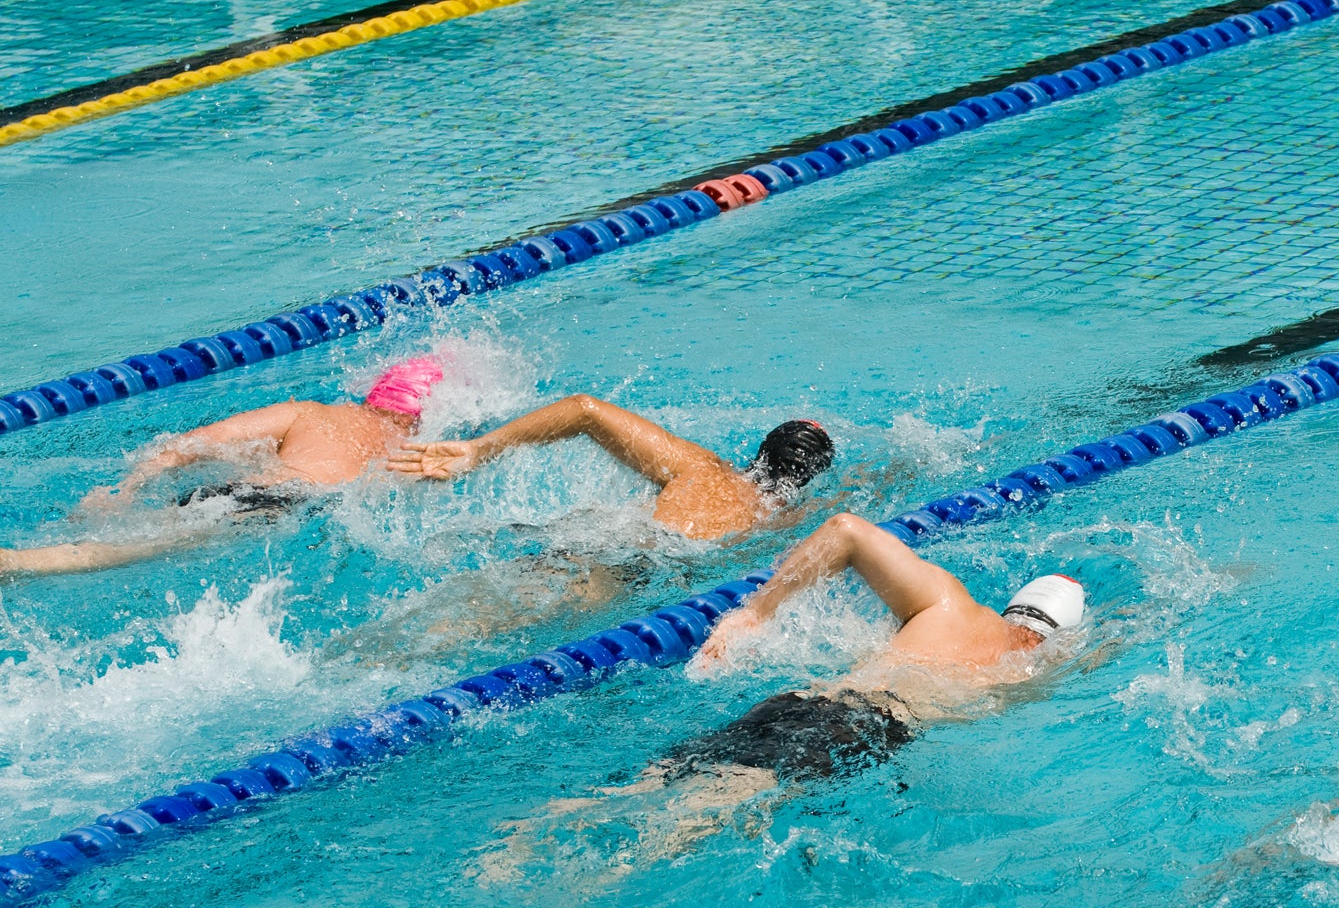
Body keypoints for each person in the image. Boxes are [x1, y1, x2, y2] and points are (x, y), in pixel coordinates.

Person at [473, 512, 1085, 881]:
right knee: (714, 808)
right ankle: (599, 883)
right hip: (862, 729)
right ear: (1053, 638)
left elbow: (845, 529)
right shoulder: (1026, 675)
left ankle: (509, 847)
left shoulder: (948, 605)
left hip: (804, 699)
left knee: (656, 779)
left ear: (1012, 601)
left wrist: (755, 614)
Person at [0, 357, 443, 577]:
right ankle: (15, 563)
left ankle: (25, 557)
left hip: (237, 490)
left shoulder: (311, 413)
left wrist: (127, 487)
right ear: (420, 414)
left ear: (375, 391)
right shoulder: (415, 448)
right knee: (127, 551)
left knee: (134, 535)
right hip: (274, 505)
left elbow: (187, 446)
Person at [387, 394, 834, 541]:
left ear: (760, 451)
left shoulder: (701, 469)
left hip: (598, 547)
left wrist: (480, 449)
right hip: (633, 576)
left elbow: (584, 409)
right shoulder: (784, 520)